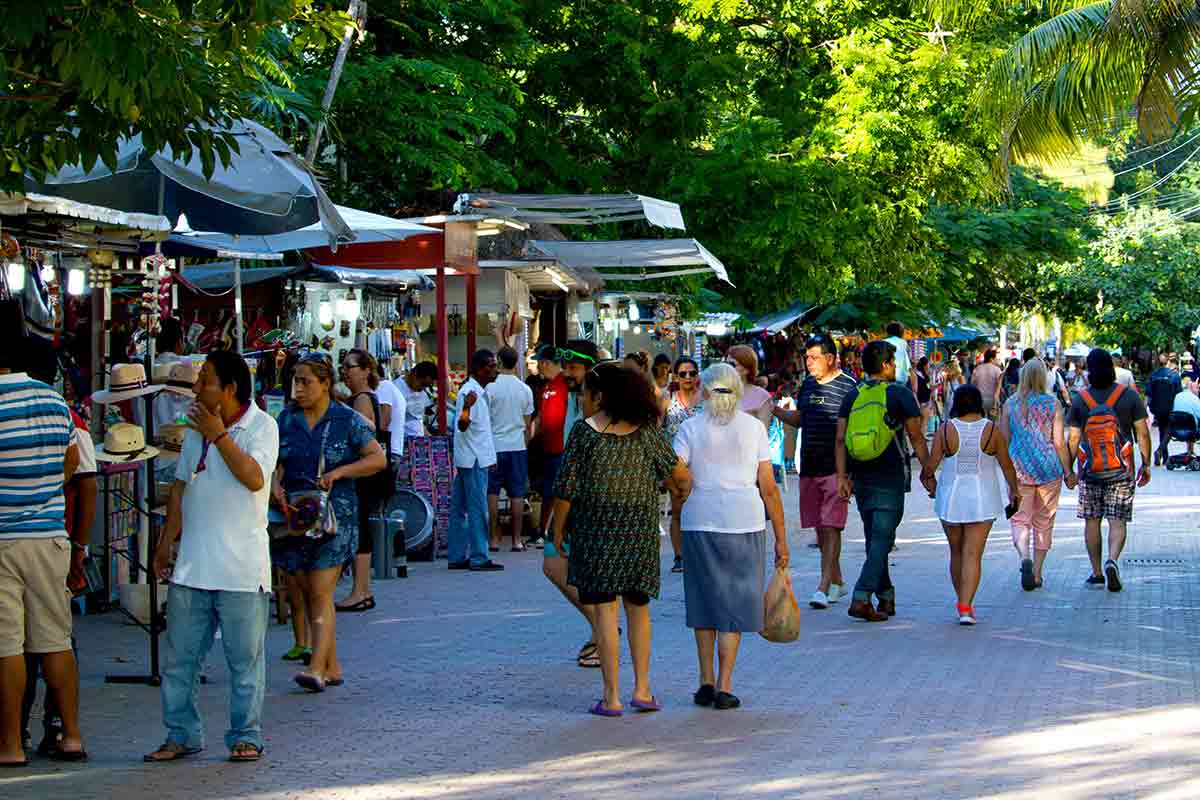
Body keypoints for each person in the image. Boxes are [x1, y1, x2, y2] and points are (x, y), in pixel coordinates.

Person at [145, 351, 280, 763]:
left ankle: (246, 735)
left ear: (230, 390)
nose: (197, 388)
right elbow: (181, 487)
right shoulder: (194, 429)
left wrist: (219, 435)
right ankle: (181, 734)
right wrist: (167, 540)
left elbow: (255, 477)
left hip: (242, 569)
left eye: (205, 380)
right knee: (179, 661)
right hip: (192, 565)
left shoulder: (263, 426)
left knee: (244, 663)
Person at [551, 362, 690, 716]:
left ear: (600, 396)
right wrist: (678, 497)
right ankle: (642, 690)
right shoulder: (647, 431)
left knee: (604, 612)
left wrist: (557, 530)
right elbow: (680, 476)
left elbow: (566, 489)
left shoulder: (584, 433)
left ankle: (611, 697)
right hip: (639, 532)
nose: (582, 400)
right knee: (638, 610)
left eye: (585, 394)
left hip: (595, 533)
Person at [676, 364, 788, 709]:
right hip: (745, 521)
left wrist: (686, 495)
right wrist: (782, 538)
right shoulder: (754, 429)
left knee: (704, 600)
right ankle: (725, 685)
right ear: (738, 392)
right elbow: (768, 488)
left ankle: (705, 681)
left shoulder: (689, 428)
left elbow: (676, 475)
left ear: (704, 391)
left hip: (699, 521)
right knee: (735, 603)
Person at [272, 354, 386, 692]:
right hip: (296, 516)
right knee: (308, 591)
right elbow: (277, 462)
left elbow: (376, 459)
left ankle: (317, 668)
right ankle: (332, 665)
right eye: (295, 380)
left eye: (306, 381)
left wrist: (339, 472)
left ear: (325, 383)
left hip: (336, 518)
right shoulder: (287, 420)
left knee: (321, 589)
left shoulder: (347, 419)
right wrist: (276, 486)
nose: (299, 388)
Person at [0, 328, 84, 766]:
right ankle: (71, 736)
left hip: (2, 542)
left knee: (7, 646)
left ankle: (11, 744)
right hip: (49, 537)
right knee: (55, 639)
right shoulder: (54, 402)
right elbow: (70, 465)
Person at [835, 339, 931, 623]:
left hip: (860, 477)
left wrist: (842, 476)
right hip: (889, 477)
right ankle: (862, 596)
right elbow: (916, 437)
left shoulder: (852, 395)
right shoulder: (900, 394)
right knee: (882, 539)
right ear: (887, 365)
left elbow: (840, 439)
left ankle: (886, 595)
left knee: (875, 538)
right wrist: (928, 471)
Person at [772, 333, 857, 609]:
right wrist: (775, 411)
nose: (808, 362)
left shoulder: (849, 387)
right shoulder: (808, 385)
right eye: (806, 357)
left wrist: (848, 475)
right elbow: (801, 419)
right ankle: (838, 582)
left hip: (836, 468)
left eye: (813, 357)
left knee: (832, 526)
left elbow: (852, 433)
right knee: (820, 528)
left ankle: (822, 586)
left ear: (830, 358)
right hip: (809, 466)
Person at [924, 386, 1020, 624]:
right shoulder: (992, 431)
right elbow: (1007, 465)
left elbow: (930, 465)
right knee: (973, 554)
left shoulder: (945, 429)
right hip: (983, 499)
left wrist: (931, 485)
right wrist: (1014, 491)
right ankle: (966, 606)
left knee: (956, 552)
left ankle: (962, 601)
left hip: (950, 497)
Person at [1066, 349, 1152, 593]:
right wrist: (1146, 464)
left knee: (1091, 521)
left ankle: (1096, 573)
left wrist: (1069, 470)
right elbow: (1143, 433)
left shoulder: (1081, 399)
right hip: (1121, 471)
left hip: (1090, 471)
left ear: (1089, 369)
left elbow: (1073, 438)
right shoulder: (1128, 397)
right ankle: (1112, 560)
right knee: (1117, 521)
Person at [538, 340, 601, 668]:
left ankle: (602, 633)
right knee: (553, 564)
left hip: (586, 502)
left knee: (576, 569)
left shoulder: (600, 406)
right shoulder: (574, 398)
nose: (567, 372)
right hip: (569, 496)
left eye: (573, 367)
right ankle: (601, 627)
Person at [999, 359, 1075, 591]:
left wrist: (1004, 470)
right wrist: (1069, 471)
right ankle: (1038, 573)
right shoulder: (1053, 404)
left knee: (1020, 518)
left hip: (1019, 469)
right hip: (1049, 469)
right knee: (1044, 521)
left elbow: (1004, 440)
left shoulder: (1010, 404)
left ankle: (1024, 558)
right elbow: (1059, 443)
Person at [336, 349, 392, 613]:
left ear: (366, 370)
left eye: (350, 366)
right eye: (344, 367)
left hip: (364, 473)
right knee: (364, 529)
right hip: (372, 474)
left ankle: (359, 590)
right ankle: (363, 589)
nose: (345, 371)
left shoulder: (361, 399)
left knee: (360, 530)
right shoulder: (367, 397)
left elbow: (367, 428)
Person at [447, 350, 504, 572]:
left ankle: (457, 555)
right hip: (473, 460)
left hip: (471, 458)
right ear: (479, 369)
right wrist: (467, 408)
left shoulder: (475, 391)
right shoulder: (471, 394)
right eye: (490, 366)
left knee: (459, 508)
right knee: (478, 509)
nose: (494, 370)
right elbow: (463, 425)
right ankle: (479, 556)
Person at [486, 346, 534, 552]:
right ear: (516, 363)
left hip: (494, 446)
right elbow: (527, 422)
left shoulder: (490, 388)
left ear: (498, 361)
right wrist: (525, 443)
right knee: (516, 494)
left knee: (492, 492)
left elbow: (484, 421)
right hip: (517, 447)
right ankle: (516, 540)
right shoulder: (524, 389)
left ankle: (494, 539)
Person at [663, 357, 704, 573]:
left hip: (703, 465)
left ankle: (698, 553)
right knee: (678, 510)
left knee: (701, 510)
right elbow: (657, 433)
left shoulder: (705, 400)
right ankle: (679, 555)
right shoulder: (667, 402)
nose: (688, 377)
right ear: (675, 377)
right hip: (675, 466)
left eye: (692, 373)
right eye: (683, 374)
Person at [725, 345, 773, 430]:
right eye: (726, 364)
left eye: (732, 364)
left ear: (747, 369)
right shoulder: (719, 393)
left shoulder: (762, 397)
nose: (727, 368)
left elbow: (762, 434)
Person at [1146, 353, 1182, 466]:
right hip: (1170, 407)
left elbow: (1149, 394)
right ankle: (1160, 451)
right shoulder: (1175, 375)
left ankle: (1164, 457)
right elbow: (1179, 393)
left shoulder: (1153, 375)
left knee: (1162, 429)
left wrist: (1148, 408)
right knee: (1169, 430)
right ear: (1168, 362)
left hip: (1157, 408)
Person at [393, 361, 438, 439]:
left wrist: (429, 437)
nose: (422, 389)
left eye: (426, 386)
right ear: (414, 374)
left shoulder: (422, 394)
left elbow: (417, 419)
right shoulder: (395, 389)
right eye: (422, 384)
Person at [883, 321, 917, 395]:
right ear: (901, 332)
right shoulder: (904, 344)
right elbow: (909, 365)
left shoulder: (882, 343)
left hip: (885, 380)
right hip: (901, 382)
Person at [971, 349, 1003, 418]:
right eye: (996, 358)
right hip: (993, 400)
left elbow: (972, 385)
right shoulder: (997, 370)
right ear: (991, 359)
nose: (997, 360)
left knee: (981, 423)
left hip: (979, 399)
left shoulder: (977, 369)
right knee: (993, 425)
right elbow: (999, 387)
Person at [1172, 378, 1200, 457]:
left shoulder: (1177, 396)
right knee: (1192, 425)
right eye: (1197, 388)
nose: (1198, 391)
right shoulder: (1195, 398)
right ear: (1191, 388)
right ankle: (1190, 452)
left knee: (1189, 423)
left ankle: (1190, 452)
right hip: (1190, 431)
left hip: (1176, 431)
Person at [915, 356, 935, 437]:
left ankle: (921, 438)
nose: (929, 366)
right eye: (928, 364)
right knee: (923, 423)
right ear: (925, 365)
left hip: (923, 402)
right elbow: (918, 390)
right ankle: (921, 438)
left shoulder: (921, 375)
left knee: (922, 423)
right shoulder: (919, 376)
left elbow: (927, 388)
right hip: (922, 403)